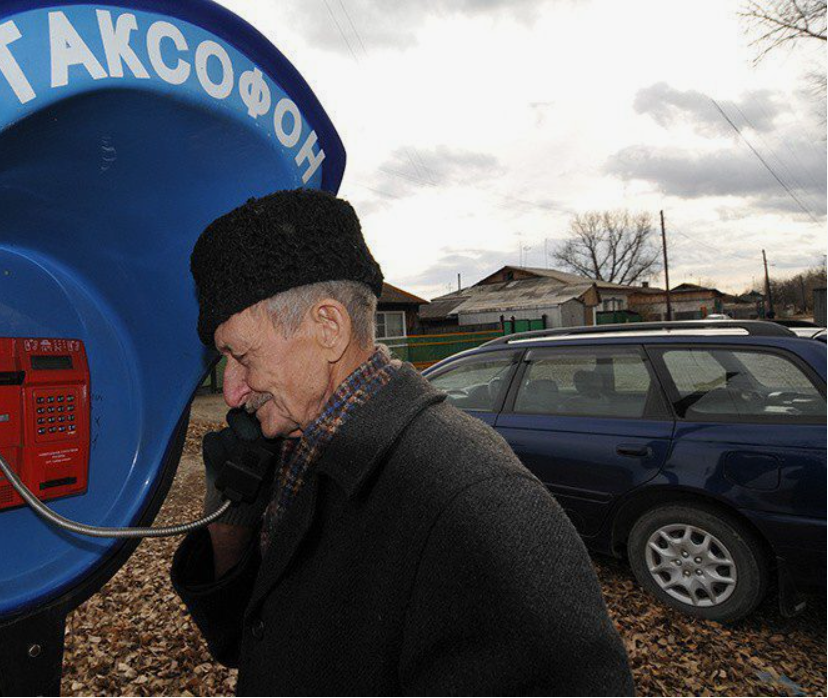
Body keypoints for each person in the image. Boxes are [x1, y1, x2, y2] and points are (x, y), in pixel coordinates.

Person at [171, 188, 634, 695]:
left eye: (241, 355)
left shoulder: (479, 504)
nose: (233, 391)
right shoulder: (295, 447)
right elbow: (248, 641)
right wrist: (230, 526)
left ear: (328, 328)